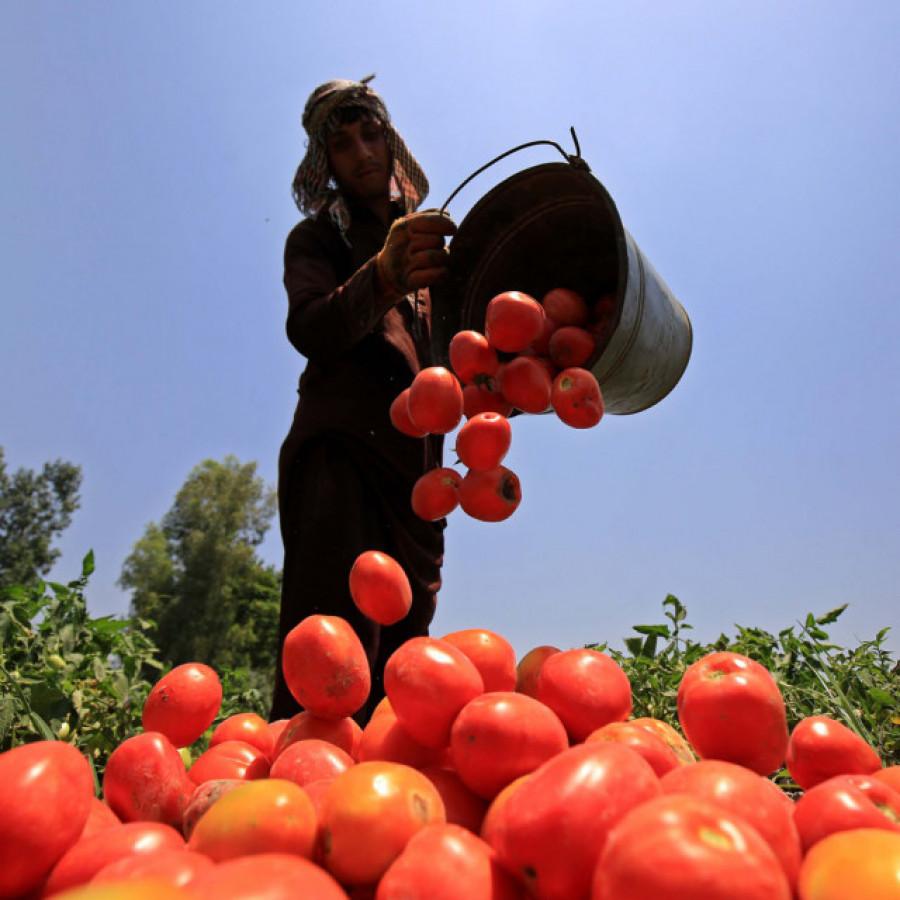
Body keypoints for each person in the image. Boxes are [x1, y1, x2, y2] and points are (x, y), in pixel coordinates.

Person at [270, 76, 456, 725]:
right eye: (342, 144)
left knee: (404, 668)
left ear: (391, 141)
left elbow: (460, 367)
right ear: (326, 166)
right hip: (342, 461)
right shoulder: (316, 242)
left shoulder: (435, 260)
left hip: (418, 487)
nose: (362, 152)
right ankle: (301, 803)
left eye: (371, 134)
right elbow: (311, 327)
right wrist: (381, 275)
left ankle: (384, 803)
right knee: (333, 654)